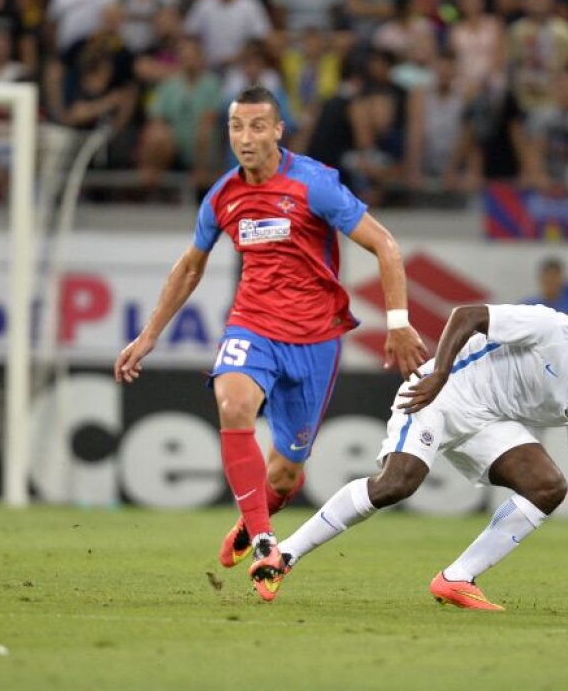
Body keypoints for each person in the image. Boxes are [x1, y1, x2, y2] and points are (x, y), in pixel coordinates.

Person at [114, 85, 427, 601]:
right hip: (252, 325)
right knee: (233, 403)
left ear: (278, 130)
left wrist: (398, 322)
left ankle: (253, 518)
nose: (246, 137)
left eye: (257, 126)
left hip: (315, 339)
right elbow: (191, 265)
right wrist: (148, 336)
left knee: (284, 473)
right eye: (236, 127)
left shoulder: (314, 185)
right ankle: (264, 542)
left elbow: (385, 246)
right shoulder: (223, 196)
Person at [265, 297, 568, 610]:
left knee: (549, 486)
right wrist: (439, 373)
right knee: (396, 484)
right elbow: (467, 315)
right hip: (444, 392)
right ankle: (283, 556)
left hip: (488, 421)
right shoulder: (551, 327)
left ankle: (457, 578)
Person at [522, 257, 568, 324]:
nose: (551, 281)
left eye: (554, 278)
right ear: (541, 279)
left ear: (562, 280)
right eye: (548, 278)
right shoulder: (528, 307)